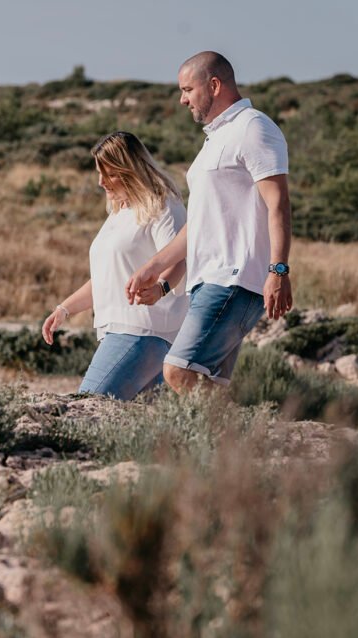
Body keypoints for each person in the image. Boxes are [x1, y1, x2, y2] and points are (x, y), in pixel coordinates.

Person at [126, 51, 293, 392]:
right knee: (210, 384)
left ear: (214, 85)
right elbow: (199, 226)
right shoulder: (215, 138)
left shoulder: (253, 127)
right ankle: (244, 443)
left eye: (187, 89)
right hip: (208, 282)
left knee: (178, 372)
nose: (182, 98)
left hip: (234, 280)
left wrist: (278, 271)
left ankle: (252, 435)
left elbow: (279, 203)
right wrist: (154, 271)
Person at [42, 131, 188, 400]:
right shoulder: (119, 211)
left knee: (87, 410)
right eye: (99, 173)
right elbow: (106, 279)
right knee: (143, 432)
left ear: (130, 169)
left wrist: (161, 287)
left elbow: (181, 257)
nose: (101, 182)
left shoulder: (163, 205)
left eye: (109, 174)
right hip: (119, 331)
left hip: (142, 332)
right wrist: (64, 309)